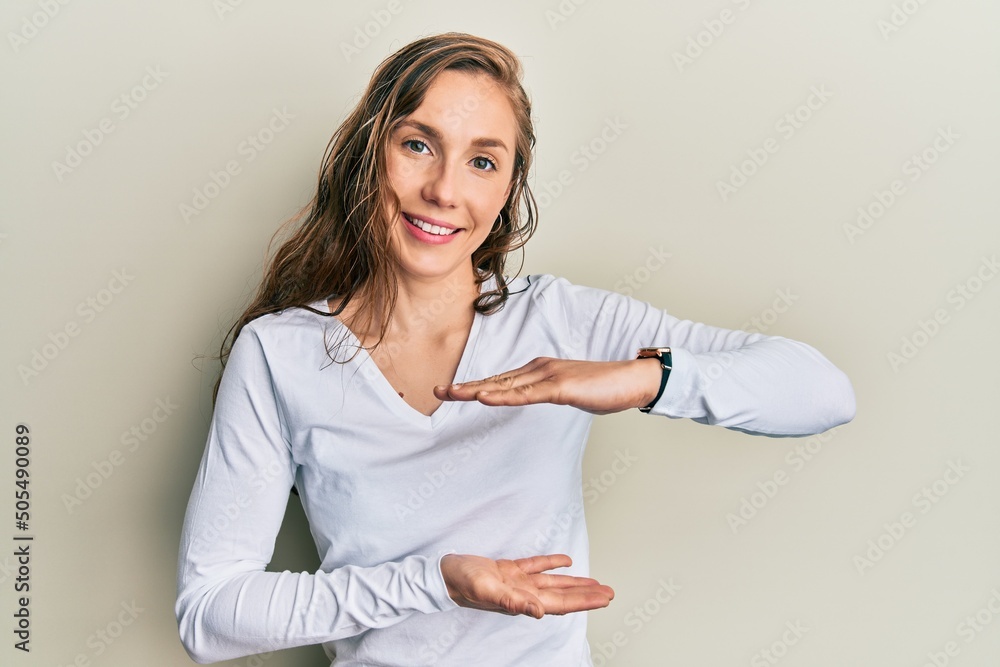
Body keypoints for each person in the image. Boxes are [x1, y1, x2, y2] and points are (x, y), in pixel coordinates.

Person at [174, 32, 855, 666]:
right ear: (368, 154)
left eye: (481, 161)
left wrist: (647, 379)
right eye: (418, 145)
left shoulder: (563, 322)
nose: (444, 189)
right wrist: (435, 581)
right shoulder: (279, 354)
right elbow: (209, 614)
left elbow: (823, 390)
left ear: (507, 191)